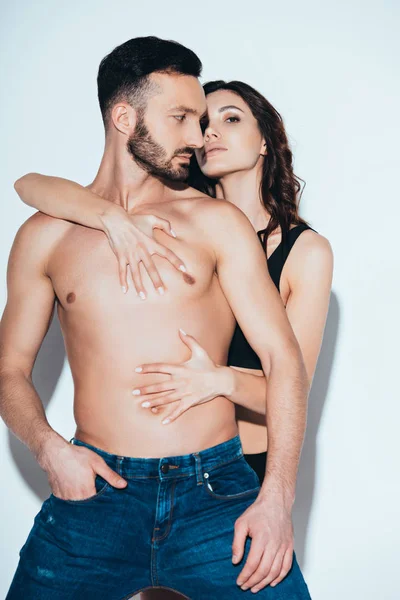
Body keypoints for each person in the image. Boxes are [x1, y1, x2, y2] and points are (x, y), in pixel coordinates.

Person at [1, 36, 312, 599]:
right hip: (95, 494)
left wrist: (276, 497)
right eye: (181, 117)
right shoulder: (46, 235)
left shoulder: (217, 222)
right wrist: (49, 449)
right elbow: (8, 370)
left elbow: (282, 359)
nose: (197, 136)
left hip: (216, 493)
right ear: (124, 117)